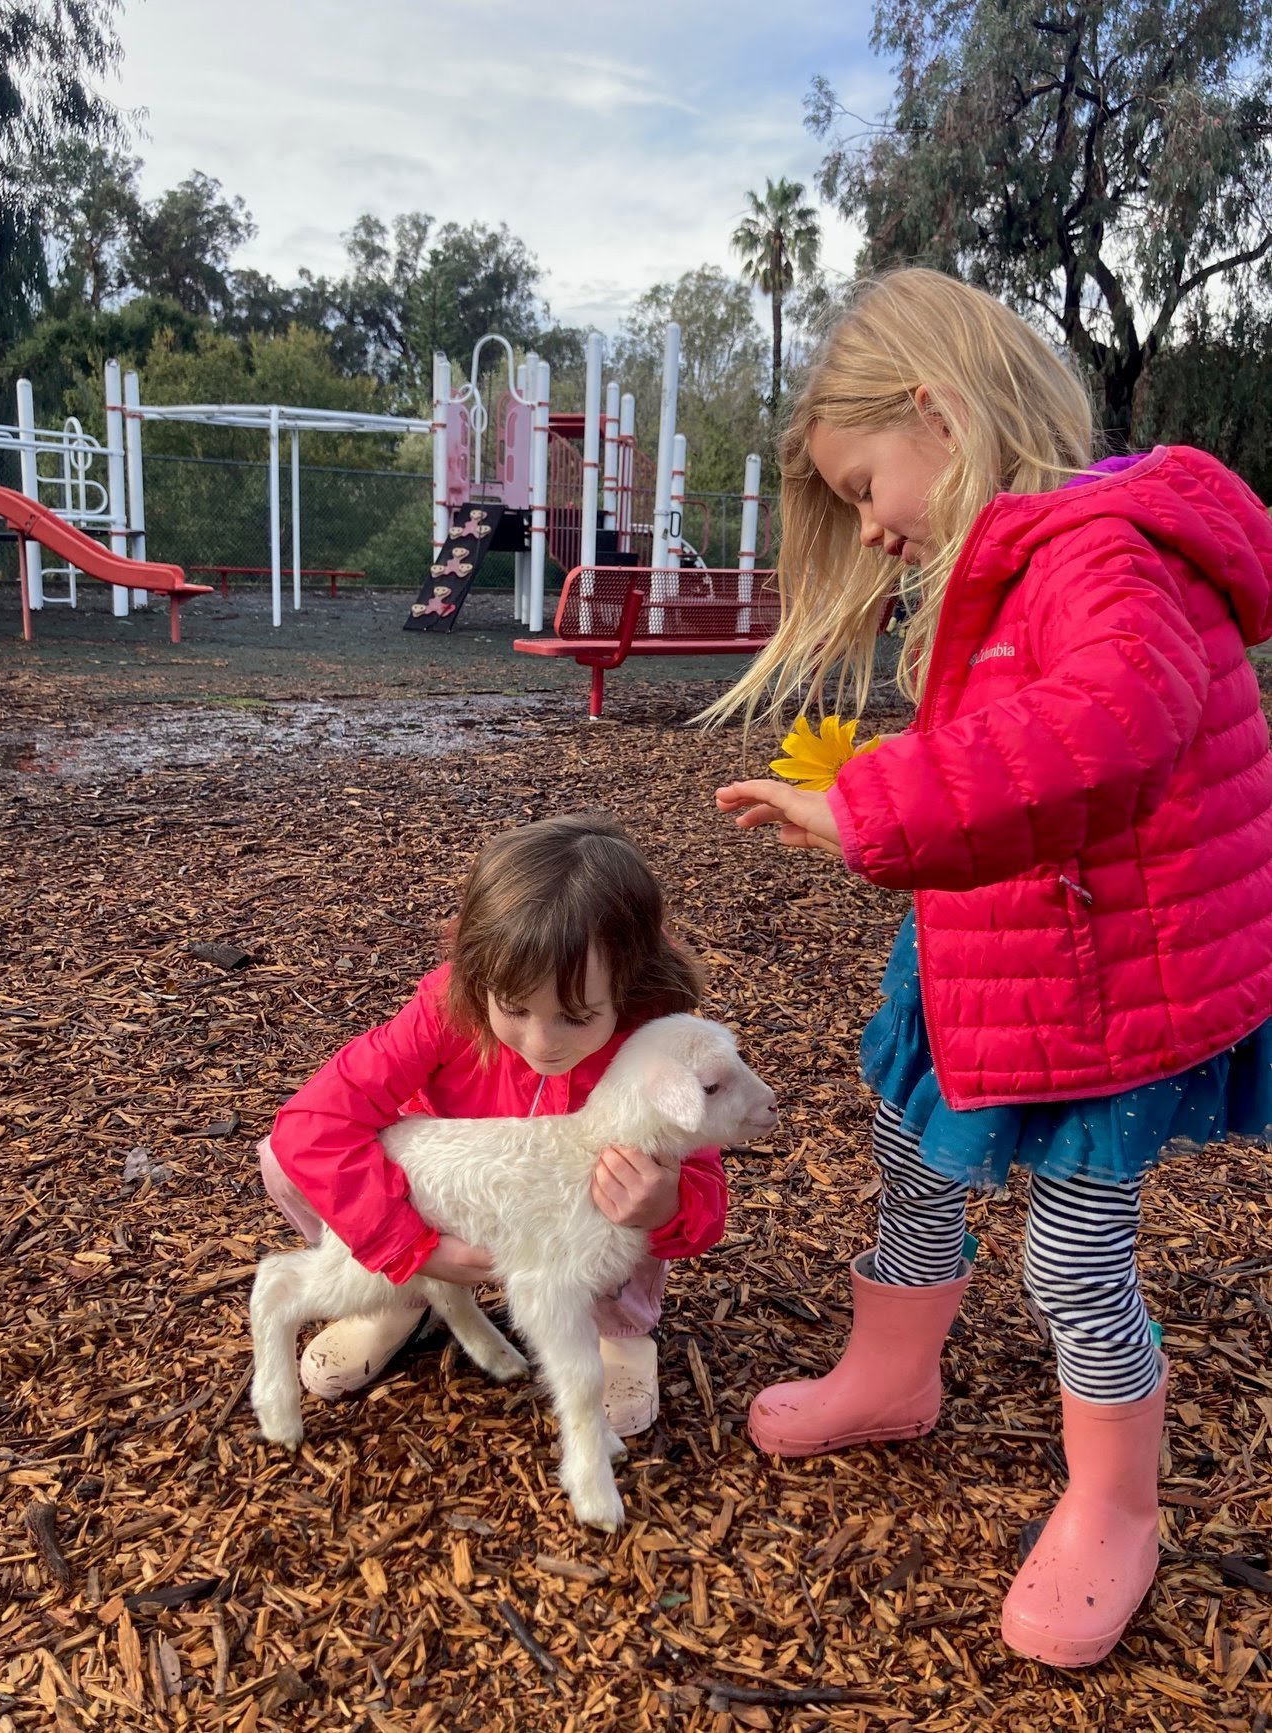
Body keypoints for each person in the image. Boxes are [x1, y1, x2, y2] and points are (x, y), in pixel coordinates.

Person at [711, 267, 1272, 1669]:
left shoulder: (1104, 552)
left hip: (1104, 990)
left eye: (861, 485)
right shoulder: (1020, 559)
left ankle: (1114, 1501)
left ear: (938, 416)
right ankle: (894, 1370)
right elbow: (1017, 746)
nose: (869, 521)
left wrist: (875, 810)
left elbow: (1109, 724)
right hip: (995, 950)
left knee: (1078, 1262)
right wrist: (892, 785)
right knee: (913, 1155)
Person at [259, 812, 725, 1439]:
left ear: (629, 981)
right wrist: (410, 1249)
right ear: (480, 973)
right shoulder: (447, 1008)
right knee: (284, 1161)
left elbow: (702, 1191)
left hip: (564, 1220)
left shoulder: (655, 1043)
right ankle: (404, 1296)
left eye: (576, 1016)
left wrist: (665, 1204)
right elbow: (314, 1123)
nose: (543, 1042)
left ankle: (617, 1325)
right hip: (465, 1200)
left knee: (632, 1185)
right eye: (515, 1009)